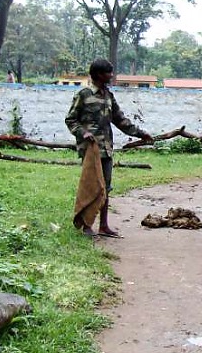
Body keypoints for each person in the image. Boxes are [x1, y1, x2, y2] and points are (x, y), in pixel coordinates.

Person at [65, 59, 153, 237]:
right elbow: (70, 120)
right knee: (92, 185)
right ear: (98, 74)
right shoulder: (83, 94)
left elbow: (120, 120)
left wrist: (141, 133)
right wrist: (83, 133)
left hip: (106, 148)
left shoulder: (108, 96)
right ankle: (87, 225)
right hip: (90, 150)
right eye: (108, 73)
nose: (111, 76)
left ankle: (103, 225)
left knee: (106, 187)